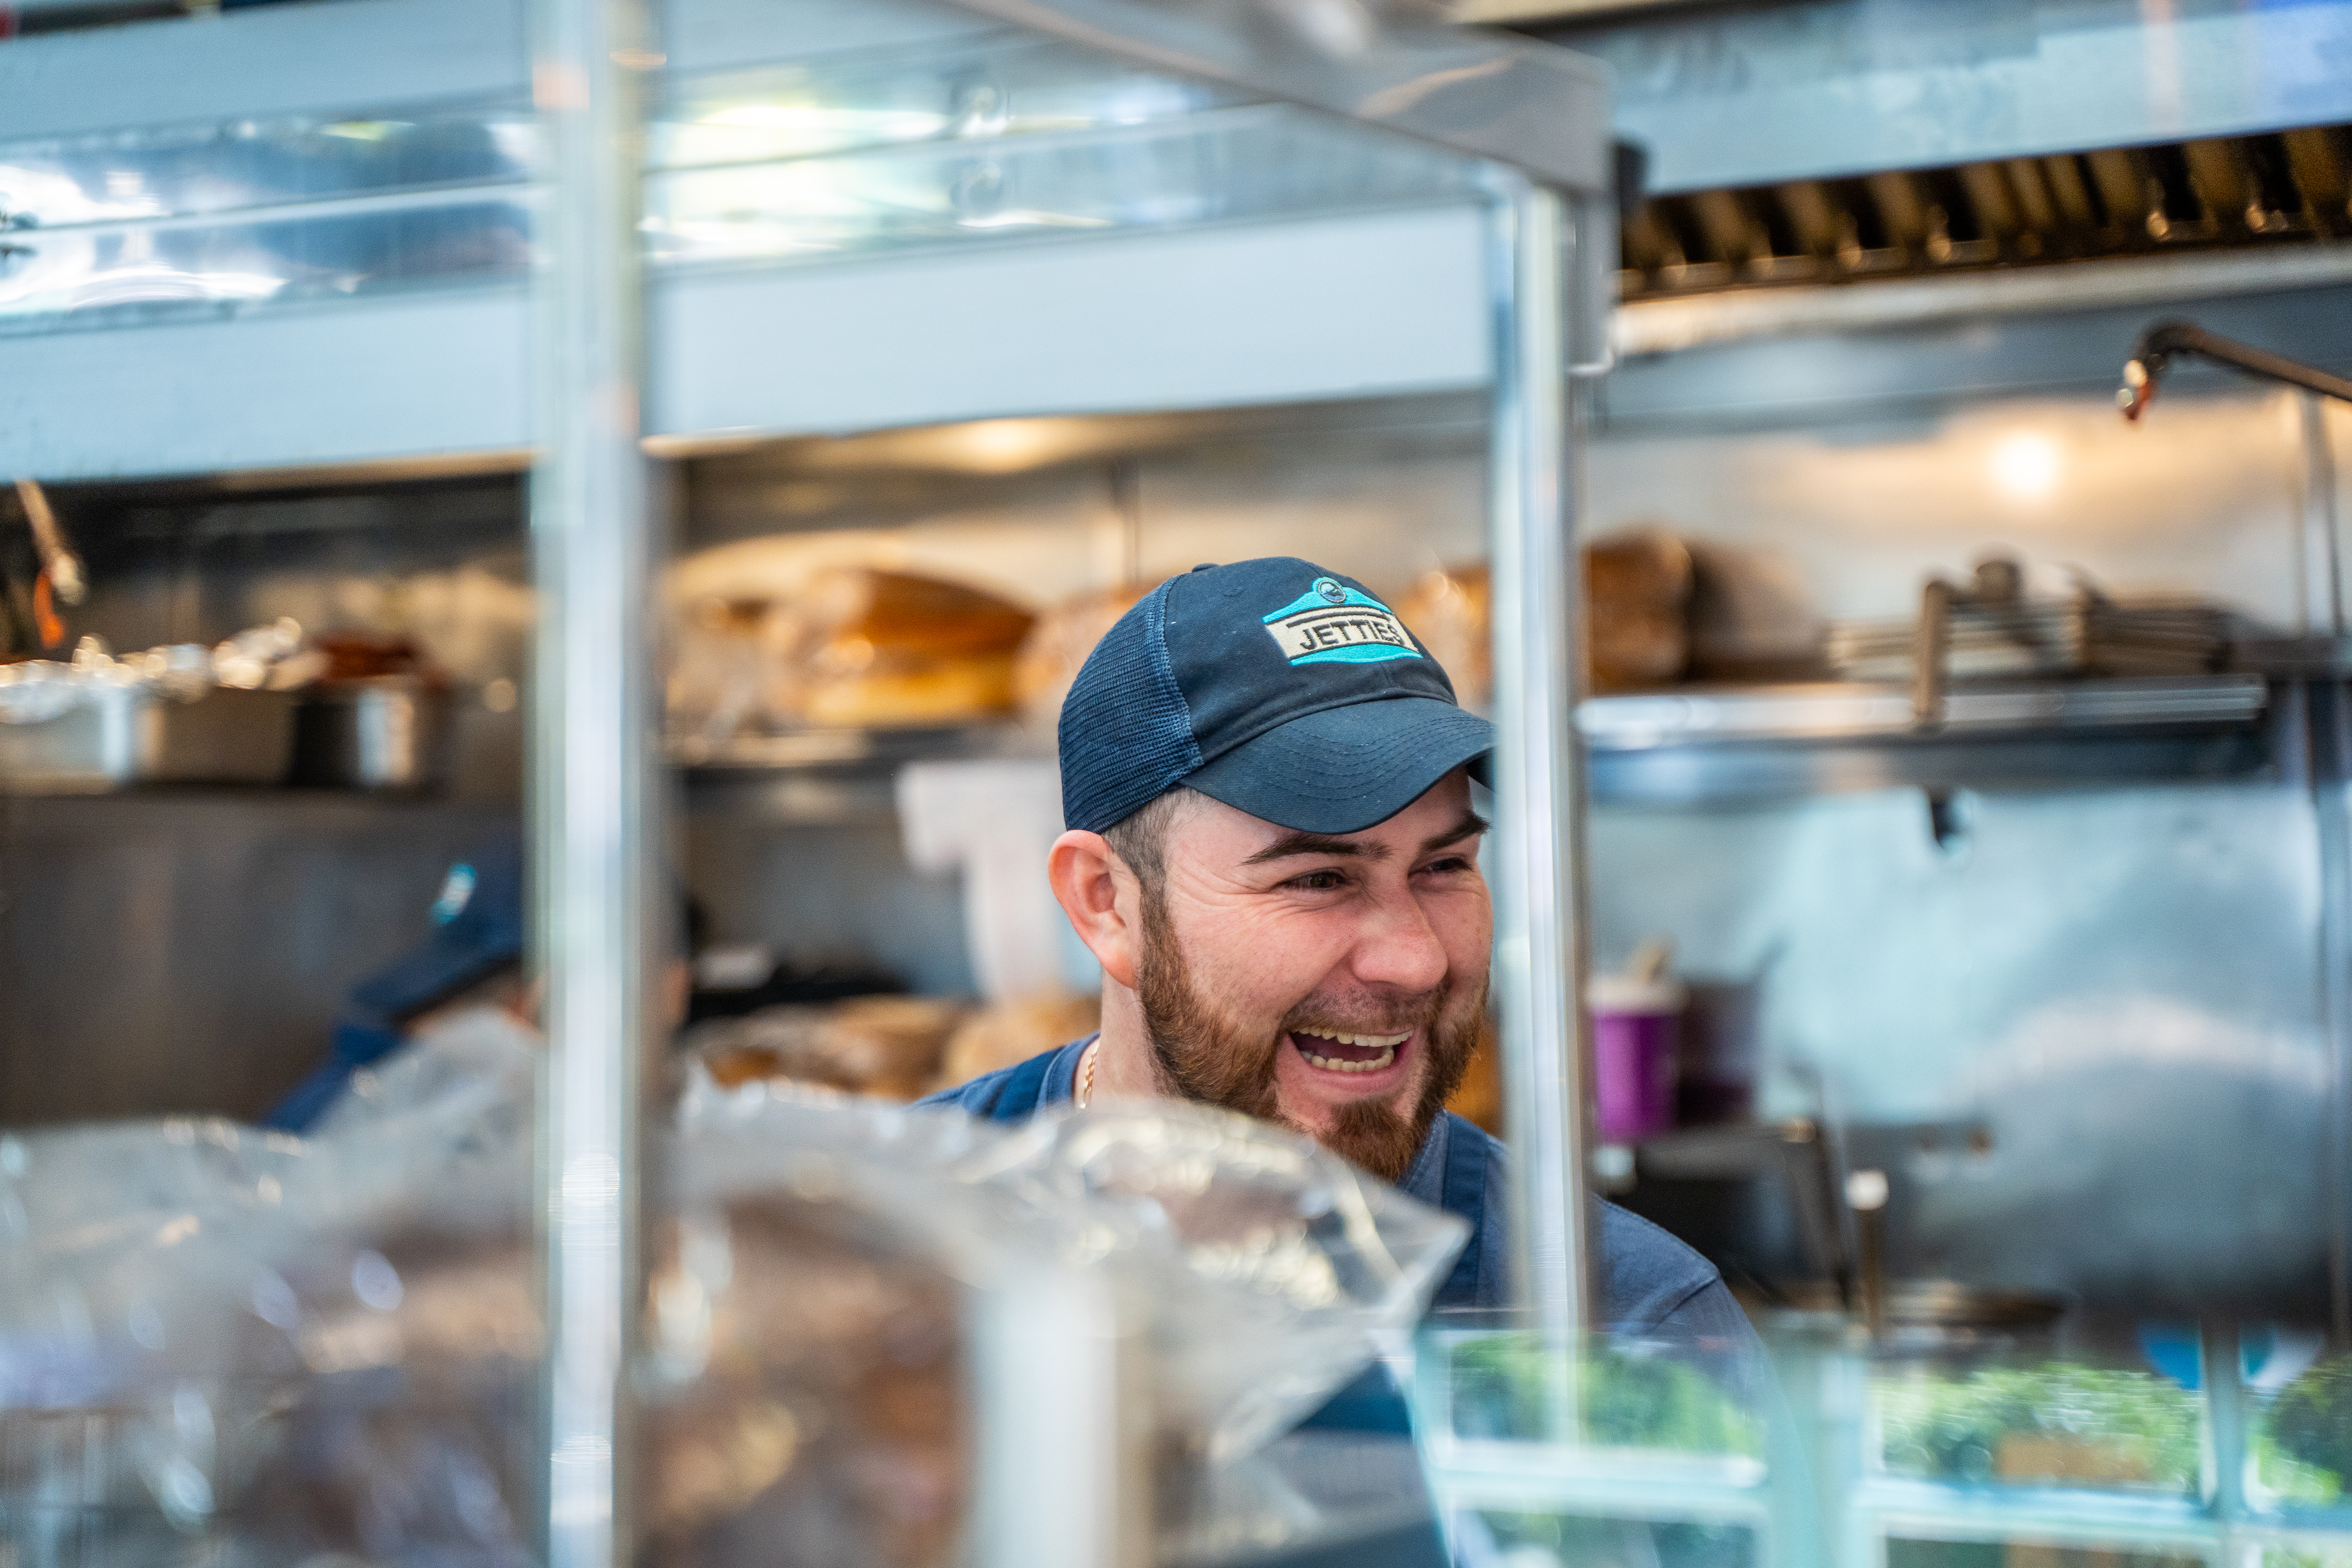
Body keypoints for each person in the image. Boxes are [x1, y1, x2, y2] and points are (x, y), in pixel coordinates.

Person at [916, 557, 1757, 1351]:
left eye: (1443, 867)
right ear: (1106, 902)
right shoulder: (872, 1247)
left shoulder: (1622, 1326)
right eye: (1318, 877)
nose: (1416, 960)